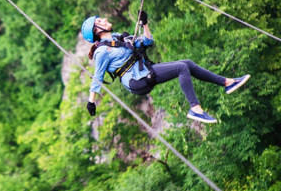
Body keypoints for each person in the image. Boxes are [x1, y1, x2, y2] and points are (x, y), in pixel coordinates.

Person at [81, 12, 249, 123]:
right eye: (100, 21)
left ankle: (228, 83)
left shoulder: (119, 37)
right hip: (135, 81)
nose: (104, 19)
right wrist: (91, 102)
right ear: (97, 30)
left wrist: (144, 23)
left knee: (187, 64)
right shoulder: (102, 52)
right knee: (181, 68)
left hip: (143, 71)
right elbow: (98, 77)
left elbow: (147, 42)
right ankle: (195, 109)